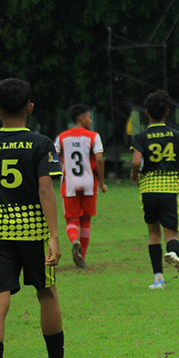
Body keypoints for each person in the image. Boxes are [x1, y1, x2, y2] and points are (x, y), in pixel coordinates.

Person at [0, 78, 82, 358]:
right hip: (33, 230)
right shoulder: (40, 143)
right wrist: (54, 235)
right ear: (30, 107)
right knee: (46, 292)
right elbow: (45, 190)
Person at [130, 90, 179, 289]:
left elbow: (137, 161)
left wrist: (134, 174)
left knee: (153, 234)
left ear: (146, 113)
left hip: (148, 190)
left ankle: (158, 279)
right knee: (171, 234)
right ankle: (173, 253)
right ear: (167, 111)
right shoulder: (177, 136)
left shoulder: (141, 136)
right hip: (169, 190)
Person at [55, 104, 108, 268]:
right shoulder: (93, 136)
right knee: (86, 220)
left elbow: (54, 155)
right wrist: (103, 182)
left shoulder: (62, 137)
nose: (90, 120)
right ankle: (82, 258)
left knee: (71, 219)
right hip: (89, 183)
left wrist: (62, 168)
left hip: (69, 182)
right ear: (82, 118)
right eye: (89, 117)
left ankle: (74, 239)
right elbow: (99, 159)